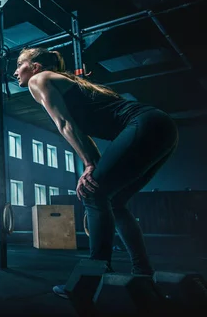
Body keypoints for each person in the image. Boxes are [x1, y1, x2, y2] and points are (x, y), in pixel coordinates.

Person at [13, 47, 178, 297]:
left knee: (92, 193)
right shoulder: (64, 81)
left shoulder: (39, 79)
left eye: (20, 64)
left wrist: (90, 167)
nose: (15, 72)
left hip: (145, 125)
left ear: (35, 67)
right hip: (162, 129)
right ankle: (143, 274)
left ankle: (91, 278)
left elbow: (64, 124)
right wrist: (94, 166)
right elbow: (83, 134)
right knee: (115, 200)